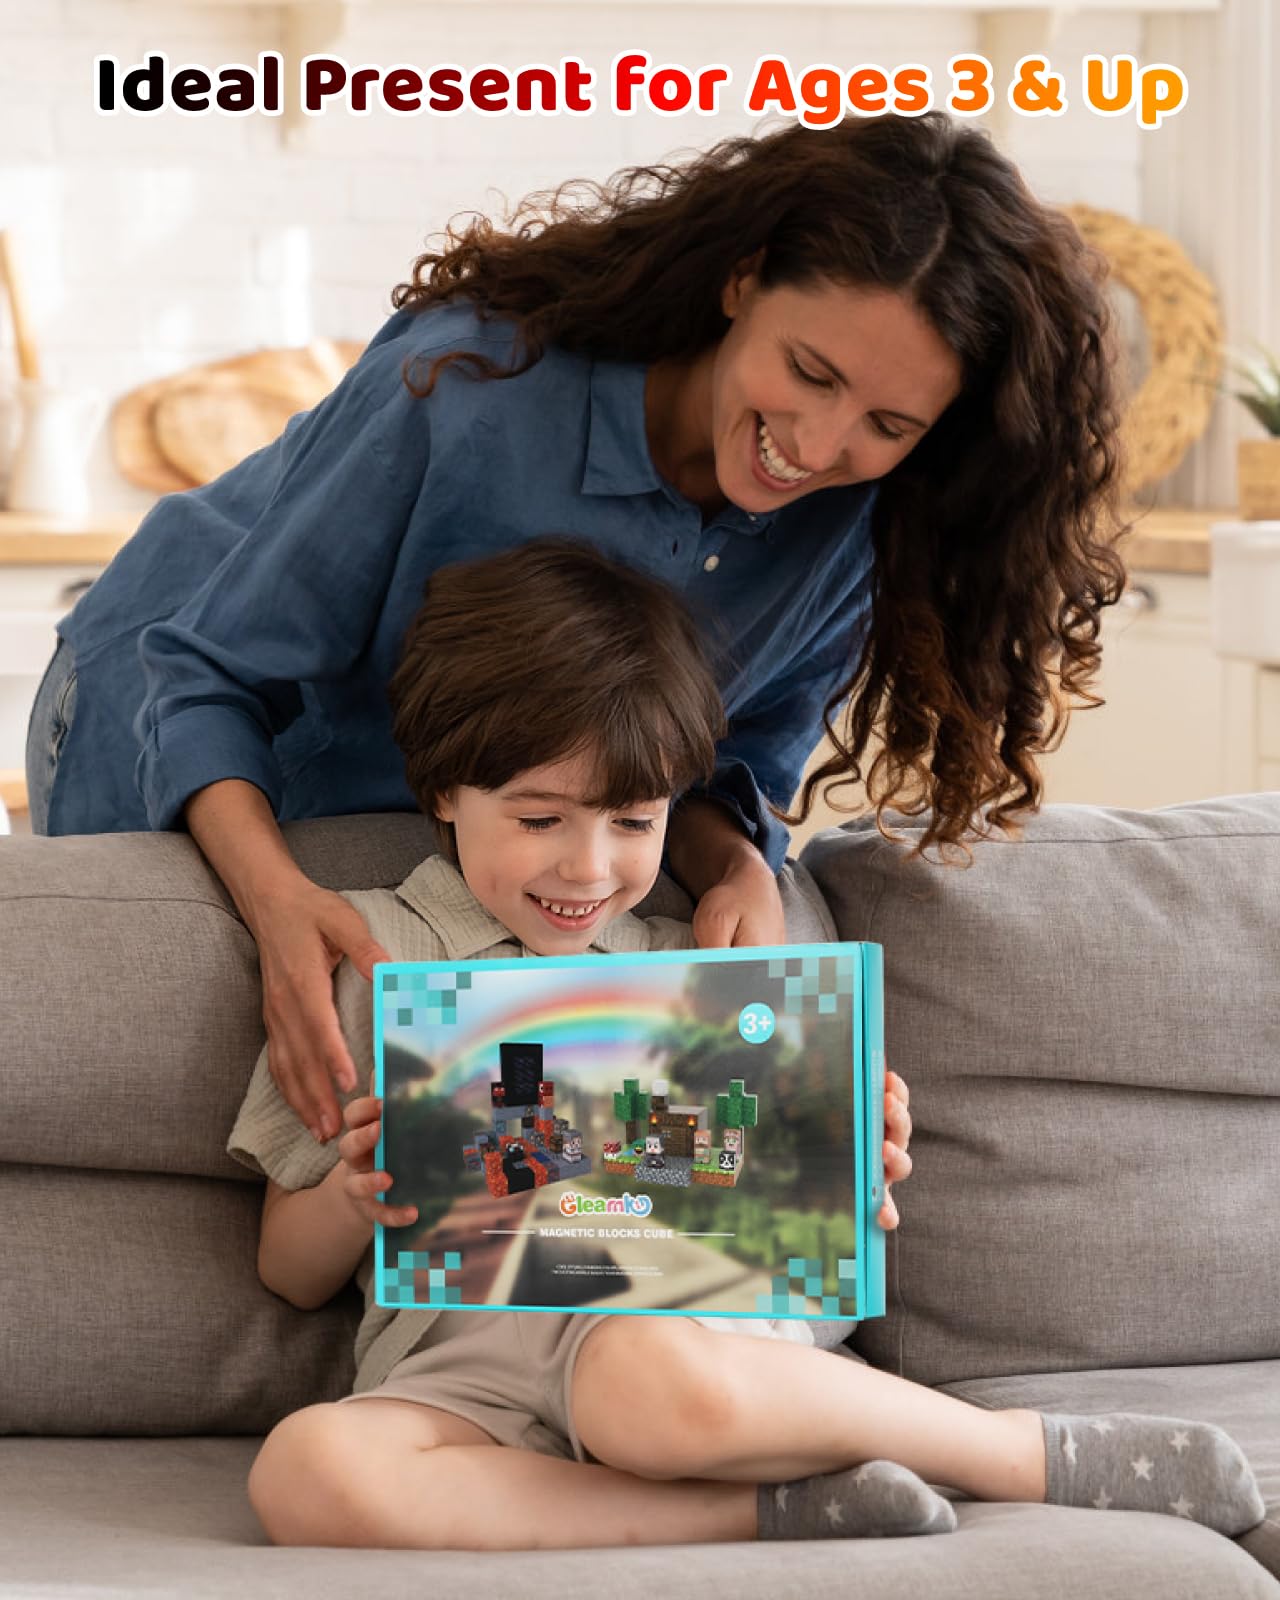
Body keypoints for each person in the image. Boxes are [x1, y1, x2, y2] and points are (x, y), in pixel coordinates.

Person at [29, 111, 1127, 1151]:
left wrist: (738, 866)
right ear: (742, 281)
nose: (816, 439)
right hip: (168, 693)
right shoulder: (465, 389)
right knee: (207, 1067)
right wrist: (276, 905)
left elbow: (717, 769)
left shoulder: (862, 527)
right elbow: (213, 673)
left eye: (886, 423)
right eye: (808, 370)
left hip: (460, 808)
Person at [235, 543, 1263, 1552]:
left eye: (633, 823)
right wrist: (350, 1193)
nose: (586, 866)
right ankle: (766, 1511)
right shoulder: (366, 964)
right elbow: (288, 1272)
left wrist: (847, 1154)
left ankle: (1016, 1452)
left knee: (640, 1387)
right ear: (444, 792)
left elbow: (779, 1217)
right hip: (460, 1378)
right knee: (304, 1471)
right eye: (538, 816)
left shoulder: (706, 968)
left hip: (673, 1342)